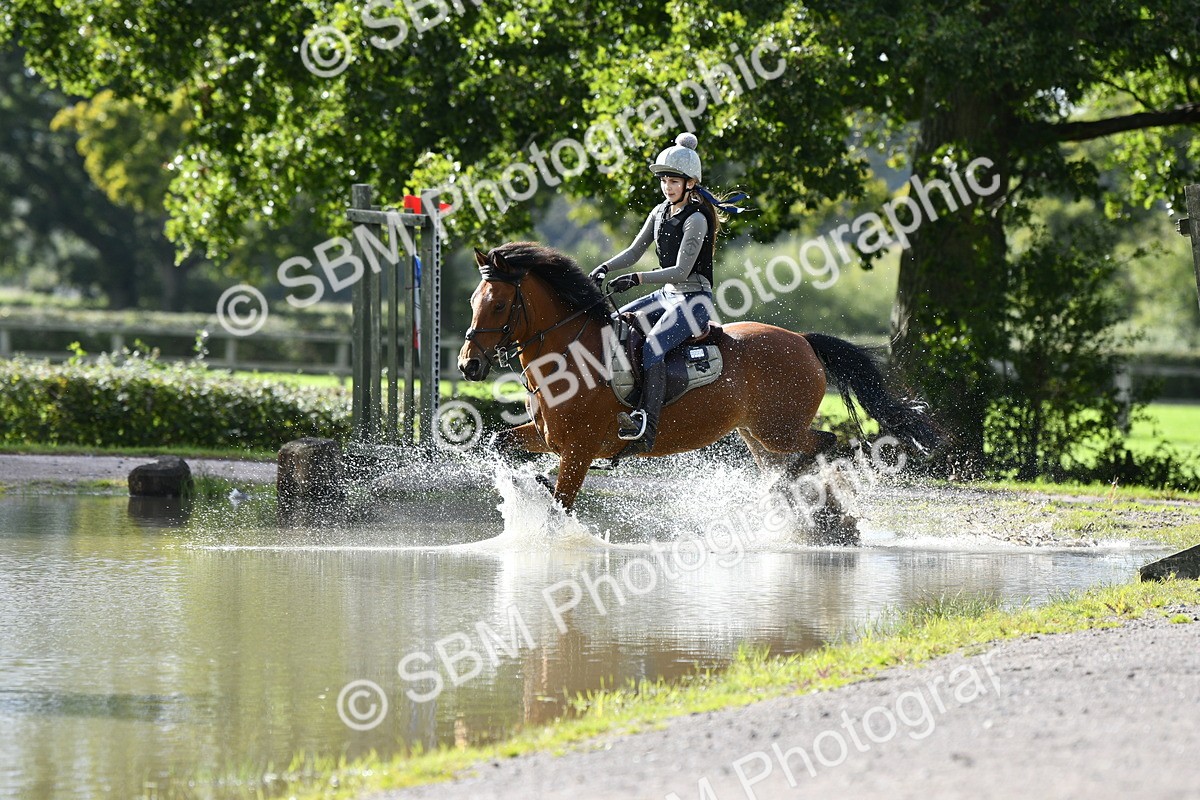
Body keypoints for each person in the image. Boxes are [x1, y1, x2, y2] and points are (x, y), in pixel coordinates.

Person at [591, 132, 747, 454]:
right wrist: (605, 267)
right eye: (664, 181)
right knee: (615, 325)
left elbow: (680, 271)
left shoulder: (697, 219)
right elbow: (634, 252)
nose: (667, 187)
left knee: (652, 348)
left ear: (690, 183)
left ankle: (646, 425)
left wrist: (636, 279)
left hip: (694, 300)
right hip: (666, 295)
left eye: (674, 181)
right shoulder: (660, 211)